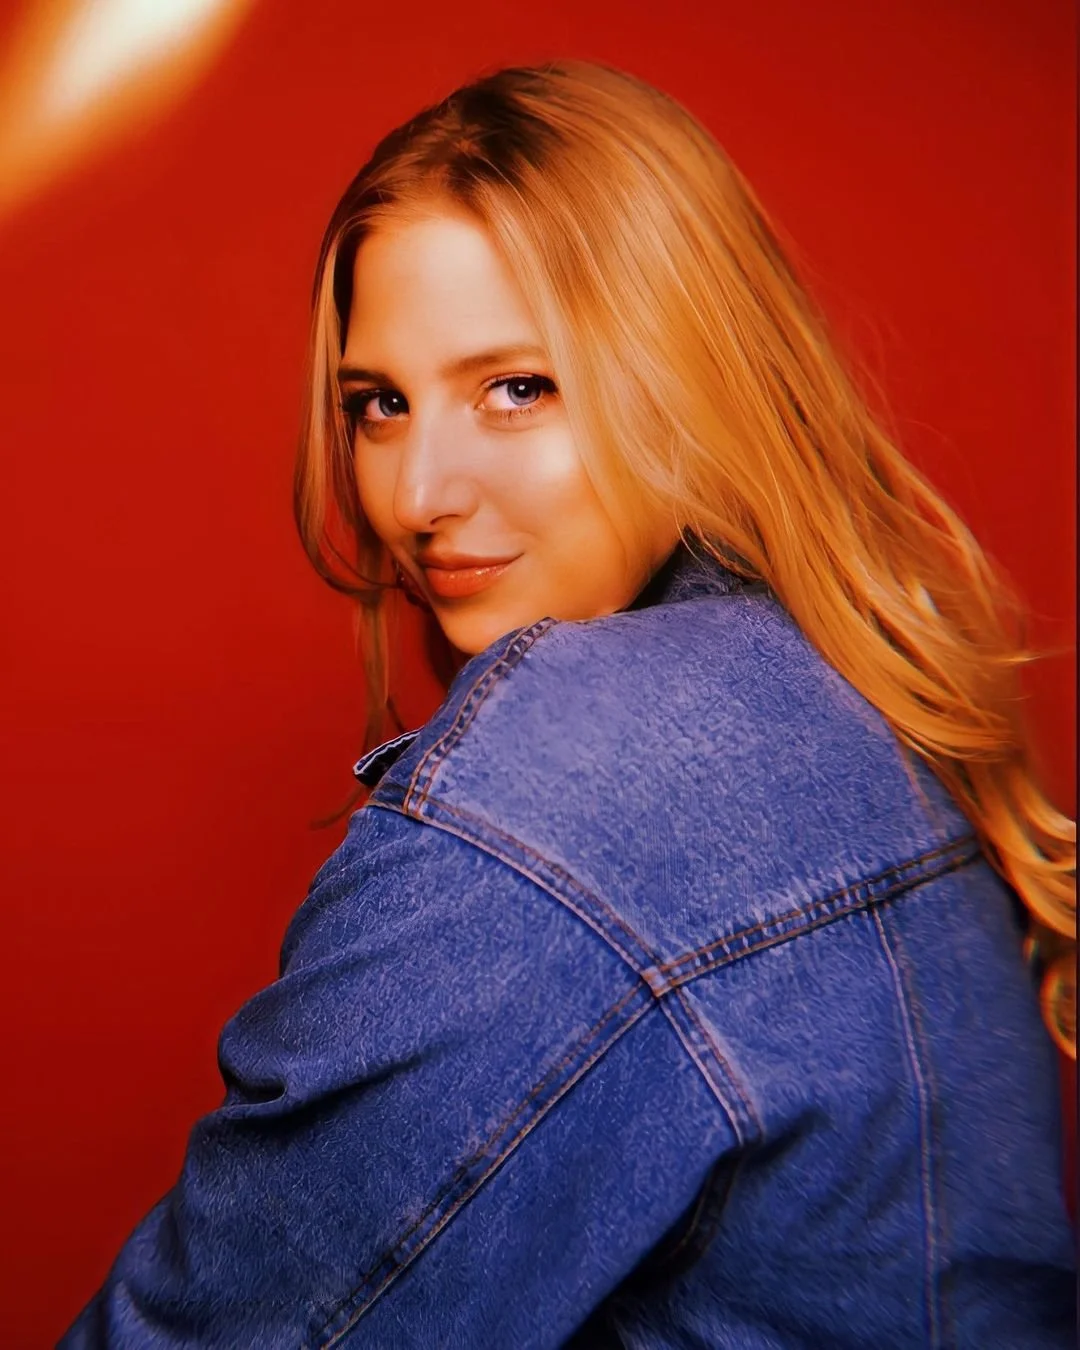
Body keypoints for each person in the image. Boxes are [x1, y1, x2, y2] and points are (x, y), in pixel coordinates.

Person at [61, 58, 1075, 1349]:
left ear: (692, 374)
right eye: (380, 405)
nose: (418, 495)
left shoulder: (561, 791)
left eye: (517, 388)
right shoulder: (847, 695)